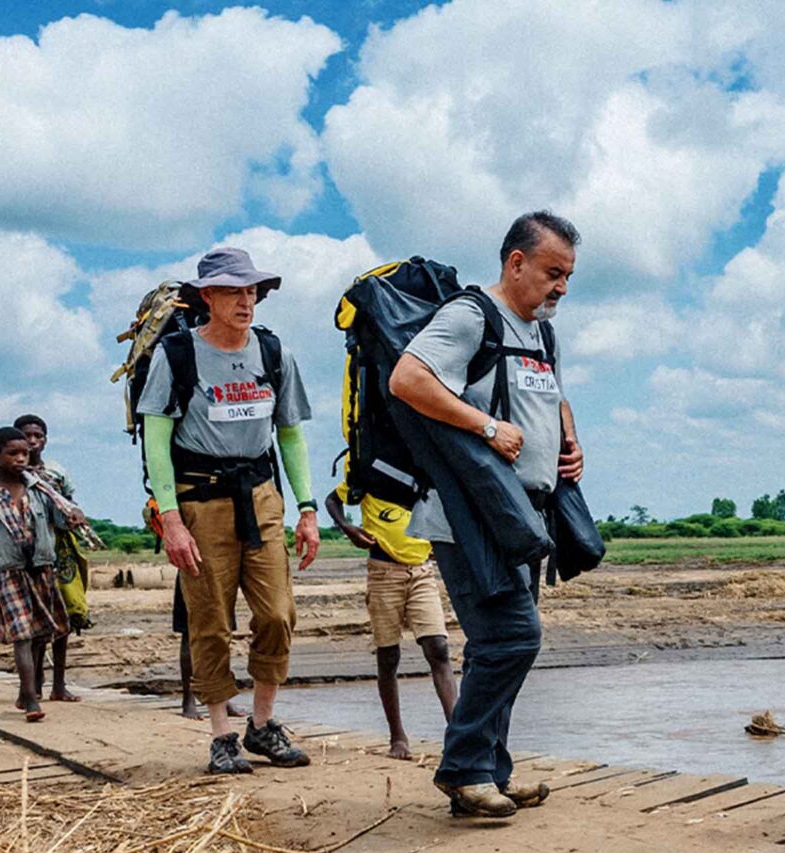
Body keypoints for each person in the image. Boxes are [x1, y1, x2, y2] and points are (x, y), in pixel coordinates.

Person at [389, 210, 585, 819]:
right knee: (513, 637)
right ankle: (463, 768)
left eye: (569, 277)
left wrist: (568, 446)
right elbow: (407, 378)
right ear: (516, 262)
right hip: (468, 515)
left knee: (495, 644)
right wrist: (486, 425)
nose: (561, 287)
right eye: (553, 272)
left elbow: (551, 396)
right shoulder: (471, 316)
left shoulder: (539, 333)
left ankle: (488, 773)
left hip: (522, 517)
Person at [138, 246, 321, 775]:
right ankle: (221, 734)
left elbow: (289, 434)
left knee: (278, 614)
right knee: (210, 621)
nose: (247, 300)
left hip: (261, 497)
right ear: (207, 297)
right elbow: (157, 440)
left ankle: (262, 726)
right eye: (234, 291)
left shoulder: (273, 352)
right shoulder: (177, 355)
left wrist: (307, 509)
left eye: (252, 290)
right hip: (199, 500)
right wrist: (170, 518)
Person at [326, 478, 458, 760]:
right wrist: (348, 528)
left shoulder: (421, 471)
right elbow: (332, 500)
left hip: (422, 570)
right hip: (383, 572)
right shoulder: (371, 470)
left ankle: (459, 734)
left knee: (439, 648)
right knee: (388, 656)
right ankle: (397, 736)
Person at [0, 426, 81, 722]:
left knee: (41, 633)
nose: (20, 459)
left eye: (24, 453)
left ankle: (27, 692)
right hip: (9, 572)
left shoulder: (41, 489)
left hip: (41, 570)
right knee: (22, 635)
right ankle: (33, 699)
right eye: (12, 453)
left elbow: (62, 520)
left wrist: (74, 515)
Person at [14, 414, 87, 703]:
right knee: (31, 622)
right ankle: (34, 684)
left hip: (57, 549)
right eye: (26, 435)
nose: (33, 441)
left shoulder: (55, 472)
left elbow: (70, 502)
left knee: (62, 617)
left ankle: (58, 683)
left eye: (38, 436)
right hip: (24, 552)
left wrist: (74, 514)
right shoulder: (7, 471)